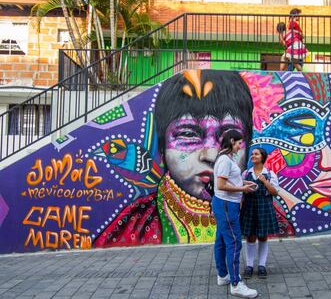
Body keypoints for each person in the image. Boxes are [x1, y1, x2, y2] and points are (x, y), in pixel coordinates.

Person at [93, 69, 254, 247]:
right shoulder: (133, 227)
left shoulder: (260, 213)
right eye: (187, 134)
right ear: (162, 150)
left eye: (230, 140)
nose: (211, 155)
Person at [213, 129, 258, 298]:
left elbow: (227, 180)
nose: (240, 147)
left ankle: (223, 275)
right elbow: (221, 185)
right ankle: (236, 284)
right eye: (239, 143)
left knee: (222, 241)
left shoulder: (223, 157)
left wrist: (243, 182)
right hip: (227, 205)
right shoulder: (225, 160)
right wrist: (242, 189)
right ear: (232, 141)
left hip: (223, 204)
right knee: (234, 242)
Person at [240, 148, 280, 279]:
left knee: (263, 237)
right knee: (250, 237)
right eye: (252, 154)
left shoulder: (270, 174)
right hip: (249, 207)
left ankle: (262, 266)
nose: (253, 156)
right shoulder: (246, 174)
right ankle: (249, 266)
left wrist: (264, 181)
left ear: (262, 157)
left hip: (264, 207)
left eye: (256, 154)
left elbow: (274, 192)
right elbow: (240, 191)